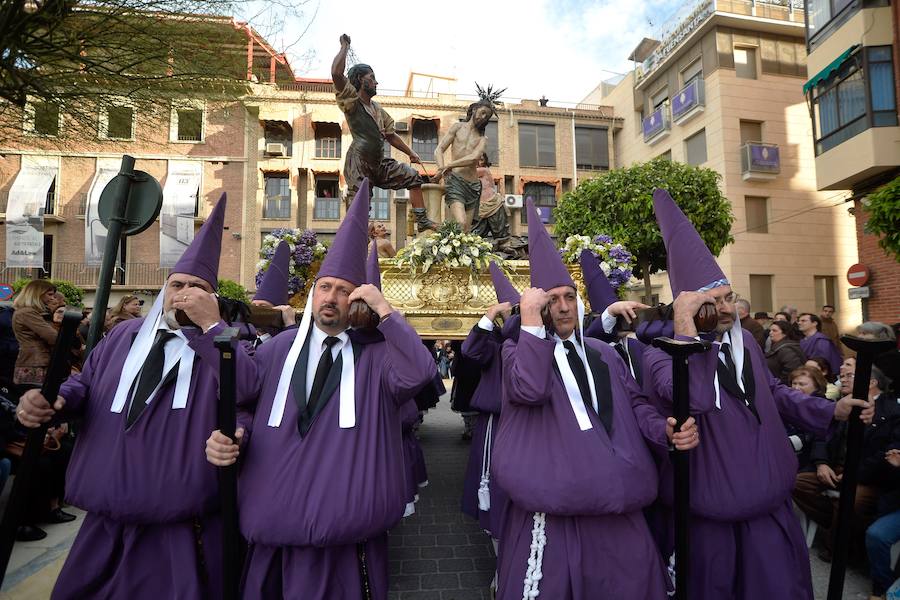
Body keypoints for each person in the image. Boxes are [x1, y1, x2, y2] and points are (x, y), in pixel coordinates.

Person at [204, 179, 436, 600]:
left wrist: (385, 311)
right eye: (325, 287)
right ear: (312, 295)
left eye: (345, 291)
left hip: (348, 545)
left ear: (359, 300)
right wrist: (235, 434)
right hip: (274, 534)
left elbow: (420, 373)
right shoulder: (275, 351)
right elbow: (244, 404)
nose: (333, 298)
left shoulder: (378, 358)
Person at [17, 194, 256, 599]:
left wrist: (211, 327)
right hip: (105, 515)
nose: (184, 293)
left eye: (197, 288)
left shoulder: (226, 346)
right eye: (177, 284)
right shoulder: (125, 335)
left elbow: (246, 392)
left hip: (177, 528)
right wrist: (54, 400)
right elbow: (87, 384)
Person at [643, 189, 872, 599]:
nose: (727, 309)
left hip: (770, 508)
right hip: (711, 524)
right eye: (712, 303)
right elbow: (692, 398)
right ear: (689, 308)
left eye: (728, 297)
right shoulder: (663, 355)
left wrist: (830, 410)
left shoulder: (747, 343)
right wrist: (688, 331)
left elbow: (775, 394)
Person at [490, 199, 698, 599]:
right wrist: (529, 321)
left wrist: (665, 430)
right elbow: (529, 390)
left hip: (620, 507)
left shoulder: (604, 353)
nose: (564, 306)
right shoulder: (517, 353)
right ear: (537, 306)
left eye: (569, 296)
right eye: (552, 299)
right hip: (554, 517)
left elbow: (635, 406)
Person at [331, 34, 436, 232]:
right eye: (372, 78)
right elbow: (337, 74)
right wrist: (344, 46)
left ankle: (422, 221)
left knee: (413, 176)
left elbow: (391, 135)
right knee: (359, 208)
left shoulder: (378, 109)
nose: (376, 82)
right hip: (359, 162)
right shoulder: (351, 101)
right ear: (361, 80)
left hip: (379, 163)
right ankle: (354, 243)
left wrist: (410, 153)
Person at [795, 365, 898, 562]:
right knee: (795, 483)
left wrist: (855, 473)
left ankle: (836, 547)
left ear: (872, 383)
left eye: (850, 376)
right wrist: (821, 463)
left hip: (867, 478)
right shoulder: (843, 404)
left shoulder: (892, 411)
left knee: (852, 499)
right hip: (835, 469)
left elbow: (887, 452)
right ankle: (840, 527)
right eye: (843, 377)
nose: (844, 380)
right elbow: (822, 435)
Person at [460, 262, 519, 593]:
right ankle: (501, 571)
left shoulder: (543, 339)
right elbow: (470, 350)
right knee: (495, 499)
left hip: (533, 427)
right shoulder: (493, 342)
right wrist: (490, 314)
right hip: (495, 428)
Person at [434, 101, 493, 231]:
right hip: (455, 182)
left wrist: (449, 165)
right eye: (482, 112)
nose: (483, 117)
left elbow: (473, 158)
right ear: (474, 110)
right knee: (461, 222)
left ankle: (454, 250)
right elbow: (439, 150)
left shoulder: (483, 139)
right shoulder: (457, 127)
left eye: (487, 116)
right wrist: (441, 170)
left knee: (466, 230)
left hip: (473, 187)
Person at [11, 280, 60, 387]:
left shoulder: (27, 312)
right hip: (35, 364)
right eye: (49, 294)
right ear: (37, 294)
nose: (52, 298)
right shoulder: (27, 312)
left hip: (33, 362)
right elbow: (53, 337)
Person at [251, 240, 300, 347]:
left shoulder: (283, 342)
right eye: (254, 306)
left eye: (263, 307)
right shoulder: (244, 342)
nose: (256, 311)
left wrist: (290, 324)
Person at [788, 366, 830, 471]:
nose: (796, 388)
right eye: (794, 383)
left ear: (817, 386)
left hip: (808, 461)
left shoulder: (825, 407)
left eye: (802, 384)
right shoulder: (787, 405)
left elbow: (817, 436)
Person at [470, 153, 513, 247]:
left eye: (481, 159)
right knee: (475, 235)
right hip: (483, 208)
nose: (478, 162)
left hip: (494, 205)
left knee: (501, 234)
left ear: (485, 161)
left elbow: (466, 173)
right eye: (476, 159)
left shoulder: (484, 170)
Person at [764, 320, 806, 384]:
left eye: (774, 331)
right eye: (770, 330)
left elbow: (791, 372)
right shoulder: (778, 346)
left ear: (785, 333)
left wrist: (779, 384)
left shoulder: (787, 350)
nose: (770, 333)